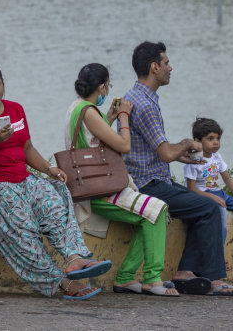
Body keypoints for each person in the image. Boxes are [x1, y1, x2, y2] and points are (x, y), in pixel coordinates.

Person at [0, 57, 110, 300]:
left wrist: (49, 169)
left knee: (54, 197)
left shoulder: (16, 110)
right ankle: (61, 281)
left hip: (21, 178)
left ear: (3, 84)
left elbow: (26, 148)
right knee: (23, 229)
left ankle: (75, 258)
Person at [123, 41, 233, 296]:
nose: (170, 67)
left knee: (199, 206)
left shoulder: (135, 96)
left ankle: (185, 272)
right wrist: (188, 144)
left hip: (147, 177)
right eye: (166, 63)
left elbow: (154, 151)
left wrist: (181, 155)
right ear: (154, 67)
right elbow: (165, 153)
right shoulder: (145, 105)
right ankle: (213, 278)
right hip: (150, 184)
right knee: (210, 207)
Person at [65, 64, 175, 296]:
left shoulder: (77, 107)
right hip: (99, 189)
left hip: (89, 183)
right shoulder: (89, 111)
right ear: (102, 86)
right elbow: (124, 146)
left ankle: (125, 278)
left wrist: (109, 117)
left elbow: (91, 141)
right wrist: (124, 116)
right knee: (158, 211)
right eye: (107, 85)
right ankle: (153, 279)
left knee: (148, 217)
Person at [185, 117, 233, 270]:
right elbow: (192, 189)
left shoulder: (216, 156)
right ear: (197, 140)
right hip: (204, 195)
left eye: (218, 138)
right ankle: (217, 258)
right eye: (210, 139)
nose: (216, 142)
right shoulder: (194, 160)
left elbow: (226, 178)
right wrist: (212, 197)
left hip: (219, 193)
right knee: (222, 216)